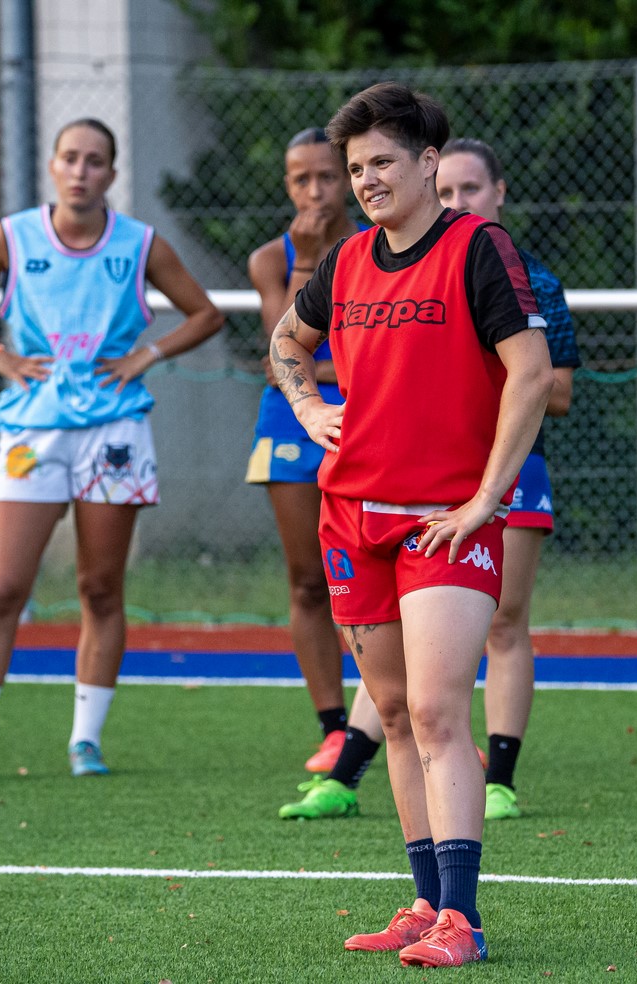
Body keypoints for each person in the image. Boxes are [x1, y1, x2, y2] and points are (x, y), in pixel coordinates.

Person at [271, 82, 552, 966]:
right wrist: (308, 404)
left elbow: (532, 373)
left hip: (444, 522)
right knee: (392, 715)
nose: (366, 180)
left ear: (430, 163)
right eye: (356, 167)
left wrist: (483, 500)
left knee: (436, 713)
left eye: (383, 162)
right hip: (352, 517)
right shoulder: (348, 261)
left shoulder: (478, 247)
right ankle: (424, 902)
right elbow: (286, 338)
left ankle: (461, 921)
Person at [0, 118, 224, 782]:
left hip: (114, 434)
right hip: (32, 432)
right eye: (71, 158)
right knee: (3, 588)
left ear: (112, 175)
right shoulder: (13, 235)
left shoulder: (139, 244)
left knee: (99, 587)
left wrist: (147, 355)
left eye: (96, 162)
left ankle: (85, 742)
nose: (82, 170)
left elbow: (206, 313)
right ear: (53, 167)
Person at [437, 137, 580, 820]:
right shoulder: (422, 273)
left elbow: (555, 392)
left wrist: (497, 371)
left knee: (505, 619)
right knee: (424, 625)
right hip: (437, 470)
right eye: (444, 192)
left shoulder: (536, 281)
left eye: (469, 190)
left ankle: (500, 777)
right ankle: (354, 764)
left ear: (499, 194)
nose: (457, 203)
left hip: (516, 469)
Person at [246, 127, 360, 773]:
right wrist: (308, 261)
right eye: (301, 180)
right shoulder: (271, 259)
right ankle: (334, 728)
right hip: (290, 424)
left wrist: (317, 368)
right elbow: (283, 353)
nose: (315, 191)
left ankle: (396, 712)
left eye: (327, 176)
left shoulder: (380, 246)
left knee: (379, 573)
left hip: (369, 417)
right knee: (309, 580)